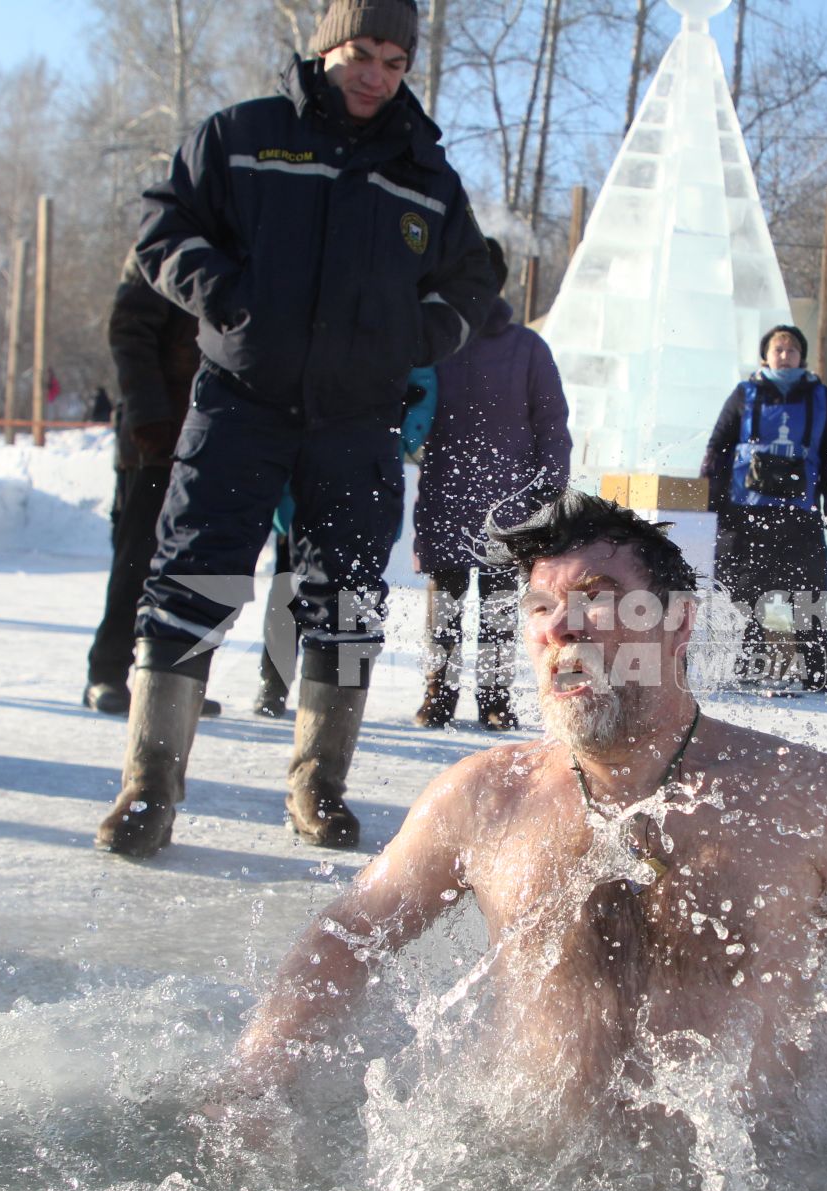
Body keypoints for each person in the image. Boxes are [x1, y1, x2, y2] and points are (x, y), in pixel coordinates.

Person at [223, 490, 827, 1191]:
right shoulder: (484, 796)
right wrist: (256, 1079)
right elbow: (348, 935)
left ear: (676, 627)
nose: (562, 629)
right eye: (541, 607)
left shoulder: (807, 800)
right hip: (524, 1188)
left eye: (599, 600)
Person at [96, 0, 497, 856]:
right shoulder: (242, 136)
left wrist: (412, 339)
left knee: (347, 598)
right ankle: (148, 791)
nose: (376, 75)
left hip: (357, 418)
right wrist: (232, 303)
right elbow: (164, 227)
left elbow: (472, 280)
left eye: (394, 60)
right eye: (361, 52)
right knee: (193, 581)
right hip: (242, 401)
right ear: (325, 48)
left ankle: (319, 787)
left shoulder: (424, 171)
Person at [412, 237, 571, 730]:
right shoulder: (434, 342)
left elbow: (551, 422)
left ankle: (495, 700)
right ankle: (438, 696)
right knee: (445, 608)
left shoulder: (527, 347)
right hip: (445, 495)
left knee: (501, 612)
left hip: (508, 508)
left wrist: (548, 489)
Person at [82, 254, 221, 720]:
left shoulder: (246, 231)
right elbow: (130, 330)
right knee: (136, 558)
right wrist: (148, 414)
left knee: (203, 566)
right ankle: (106, 672)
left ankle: (180, 681)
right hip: (155, 437)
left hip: (217, 436)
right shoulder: (164, 243)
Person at [700, 324, 827, 694]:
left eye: (792, 350)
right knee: (739, 594)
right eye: (778, 350)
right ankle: (741, 664)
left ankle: (818, 671)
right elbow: (718, 449)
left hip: (798, 514)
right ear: (765, 356)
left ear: (802, 357)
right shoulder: (743, 394)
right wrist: (709, 504)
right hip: (744, 514)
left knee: (810, 592)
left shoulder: (822, 397)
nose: (785, 356)